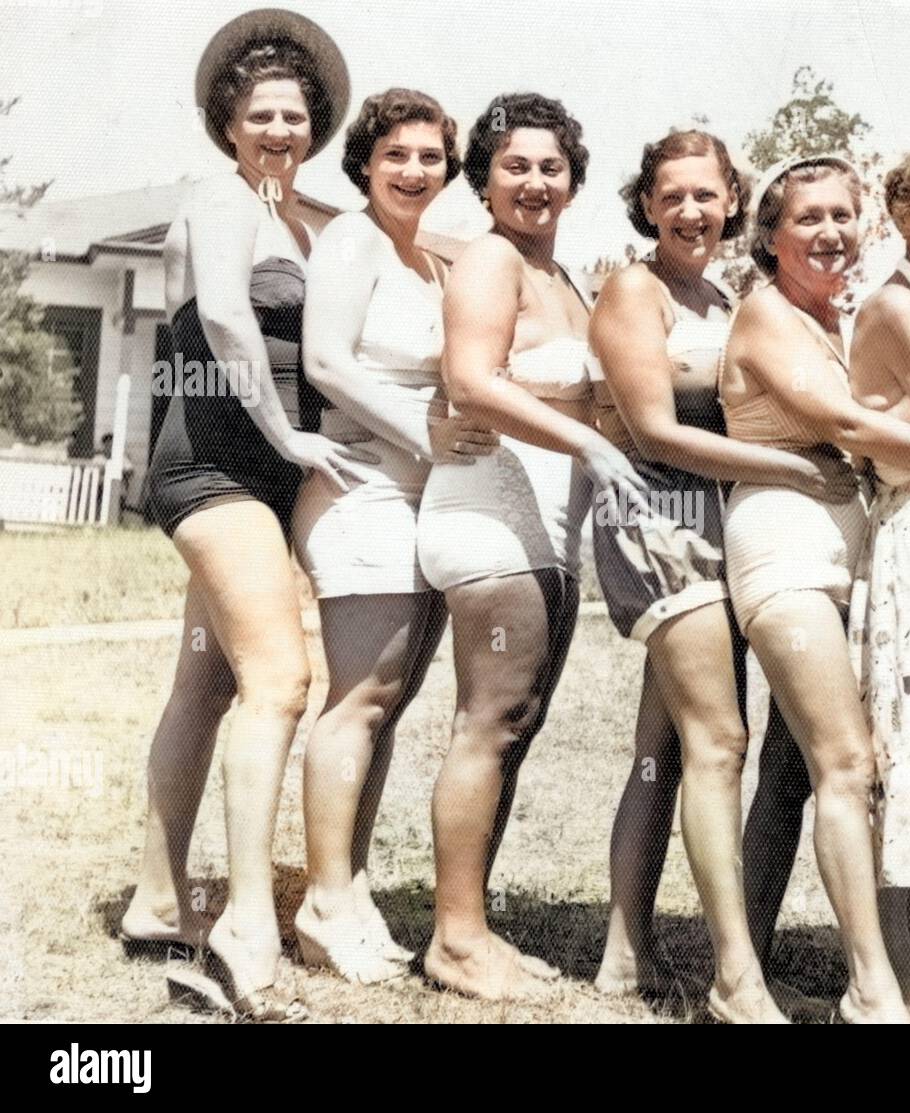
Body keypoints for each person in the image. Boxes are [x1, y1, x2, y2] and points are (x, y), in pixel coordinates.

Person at [587, 131, 857, 1021]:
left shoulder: (728, 294)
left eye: (709, 195)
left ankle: (632, 951)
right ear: (649, 205)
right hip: (657, 517)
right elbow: (656, 431)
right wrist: (792, 470)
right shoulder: (635, 287)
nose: (693, 212)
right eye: (675, 197)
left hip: (724, 517)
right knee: (718, 741)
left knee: (665, 746)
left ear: (733, 200)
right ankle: (736, 980)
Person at [129, 9, 359, 1019]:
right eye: (260, 115)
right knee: (281, 678)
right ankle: (242, 925)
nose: (278, 130)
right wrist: (290, 435)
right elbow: (225, 317)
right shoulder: (220, 204)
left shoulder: (310, 216)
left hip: (264, 476)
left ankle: (154, 900)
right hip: (217, 464)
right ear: (228, 123)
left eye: (295, 116)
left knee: (206, 684)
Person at [722, 154, 910, 1023]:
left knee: (790, 769)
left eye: (844, 216)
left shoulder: (831, 319)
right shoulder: (765, 313)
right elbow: (843, 424)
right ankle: (873, 988)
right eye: (808, 219)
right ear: (769, 235)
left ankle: (746, 972)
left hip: (845, 555)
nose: (830, 233)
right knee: (847, 761)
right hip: (785, 550)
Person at [416, 92, 647, 1001]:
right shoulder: (489, 258)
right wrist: (589, 442)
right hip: (488, 514)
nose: (536, 181)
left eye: (553, 166)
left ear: (575, 179)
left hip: (546, 531)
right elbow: (469, 379)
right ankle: (455, 940)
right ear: (484, 178)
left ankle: (470, 927)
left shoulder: (568, 279)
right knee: (490, 719)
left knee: (517, 723)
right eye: (515, 165)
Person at [292, 88, 493, 983]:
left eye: (430, 157)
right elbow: (326, 363)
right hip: (361, 485)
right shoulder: (351, 240)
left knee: (392, 699)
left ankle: (351, 882)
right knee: (360, 697)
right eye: (396, 156)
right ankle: (323, 900)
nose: (415, 171)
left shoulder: (431, 262)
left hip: (426, 496)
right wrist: (426, 437)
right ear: (365, 164)